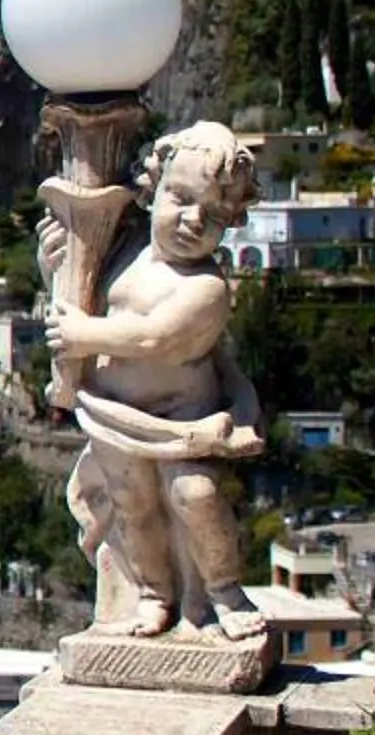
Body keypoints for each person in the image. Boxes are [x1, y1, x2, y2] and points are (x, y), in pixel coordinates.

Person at [40, 122, 267, 640]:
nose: (192, 220)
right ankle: (152, 594)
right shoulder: (123, 255)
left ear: (231, 222)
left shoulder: (207, 287)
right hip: (113, 413)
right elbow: (76, 303)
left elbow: (152, 338)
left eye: (212, 215)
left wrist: (85, 333)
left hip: (182, 420)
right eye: (181, 198)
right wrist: (51, 264)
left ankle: (223, 591)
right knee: (133, 506)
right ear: (153, 189)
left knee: (195, 494)